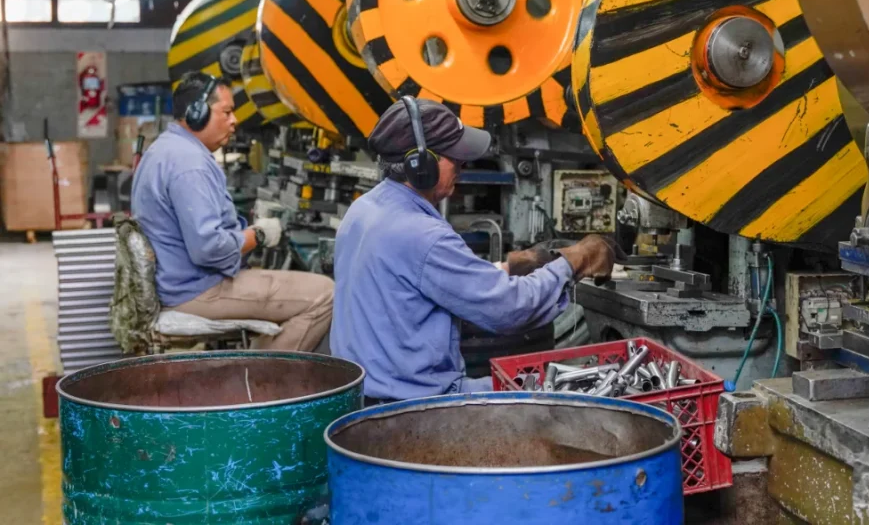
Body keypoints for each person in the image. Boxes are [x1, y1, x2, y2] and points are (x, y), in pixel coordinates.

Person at [331, 96, 617, 403]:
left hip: (361, 395)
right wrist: (576, 260)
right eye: (455, 157)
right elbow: (511, 308)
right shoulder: (424, 234)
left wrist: (511, 267)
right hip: (413, 407)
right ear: (421, 165)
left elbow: (416, 281)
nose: (463, 166)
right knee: (560, 396)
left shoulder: (364, 210)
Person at [131, 71, 333, 351]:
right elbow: (208, 248)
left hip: (176, 282)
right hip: (196, 291)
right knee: (325, 294)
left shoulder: (164, 149)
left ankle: (251, 369)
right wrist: (259, 235)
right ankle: (266, 386)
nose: (234, 120)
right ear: (197, 114)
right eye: (226, 112)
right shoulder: (189, 164)